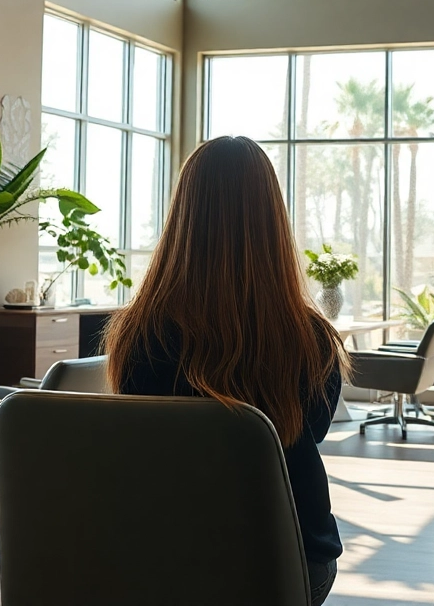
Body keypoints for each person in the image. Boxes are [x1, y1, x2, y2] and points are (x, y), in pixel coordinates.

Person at [105, 136, 350, 606]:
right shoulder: (312, 339)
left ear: (182, 217)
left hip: (163, 559)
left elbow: (139, 442)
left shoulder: (139, 333)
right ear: (273, 221)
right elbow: (312, 434)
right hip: (291, 562)